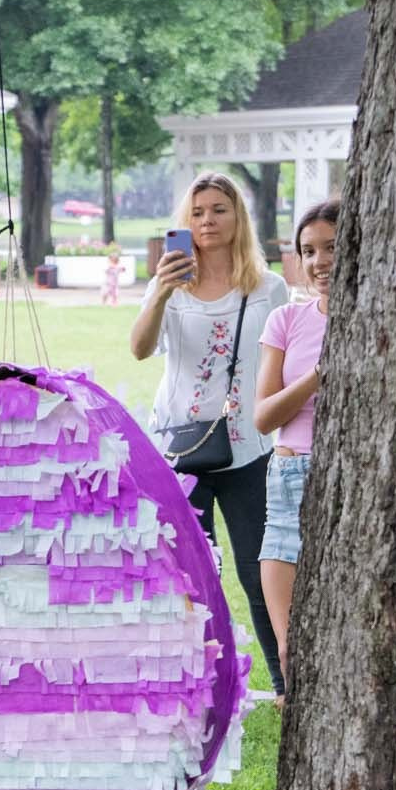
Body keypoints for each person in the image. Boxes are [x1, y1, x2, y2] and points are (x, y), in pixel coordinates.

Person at [130, 170, 291, 693]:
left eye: (219, 209)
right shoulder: (170, 285)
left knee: (260, 573)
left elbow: (283, 366)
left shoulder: (269, 288)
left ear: (237, 217)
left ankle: (286, 684)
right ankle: (190, 687)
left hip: (250, 450)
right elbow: (138, 348)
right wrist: (159, 293)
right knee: (186, 576)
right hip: (180, 452)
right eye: (197, 212)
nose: (207, 221)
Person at [253, 198, 337, 696]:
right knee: (290, 652)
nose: (319, 261)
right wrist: (315, 378)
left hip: (343, 479)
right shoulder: (287, 319)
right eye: (308, 251)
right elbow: (264, 416)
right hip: (287, 482)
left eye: (330, 247)